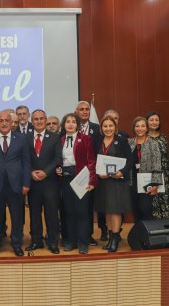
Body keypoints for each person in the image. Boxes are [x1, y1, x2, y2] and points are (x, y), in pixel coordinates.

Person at [0, 110, 31, 257]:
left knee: (17, 217)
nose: (4, 123)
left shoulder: (21, 138)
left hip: (16, 184)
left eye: (6, 120)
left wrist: (26, 183)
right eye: (1, 121)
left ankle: (17, 244)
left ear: (11, 123)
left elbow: (26, 162)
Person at [57, 113, 97, 254]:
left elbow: (91, 161)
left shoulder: (86, 139)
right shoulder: (60, 140)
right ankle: (71, 241)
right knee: (69, 212)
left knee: (82, 212)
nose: (71, 124)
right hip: (66, 179)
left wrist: (92, 180)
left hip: (81, 178)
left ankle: (83, 242)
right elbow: (58, 160)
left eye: (74, 122)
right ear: (63, 124)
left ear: (78, 125)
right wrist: (58, 169)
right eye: (68, 121)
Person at [25, 109, 62, 254]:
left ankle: (53, 242)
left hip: (50, 182)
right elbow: (24, 159)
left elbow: (58, 158)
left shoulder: (54, 137)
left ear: (45, 120)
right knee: (34, 213)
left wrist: (46, 172)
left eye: (41, 118)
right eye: (36, 119)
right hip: (33, 182)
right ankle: (36, 241)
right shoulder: (26, 138)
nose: (39, 121)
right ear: (32, 121)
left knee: (52, 214)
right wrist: (30, 173)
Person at [95, 116, 133, 252]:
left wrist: (122, 172)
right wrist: (97, 172)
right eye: (105, 126)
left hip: (116, 182)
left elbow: (130, 160)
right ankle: (110, 237)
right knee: (107, 210)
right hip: (103, 182)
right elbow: (94, 160)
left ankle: (115, 239)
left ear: (115, 127)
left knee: (115, 210)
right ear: (101, 128)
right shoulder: (98, 141)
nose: (108, 129)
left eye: (110, 126)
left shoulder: (121, 141)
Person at [75, 101, 103, 243]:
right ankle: (75, 235)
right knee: (75, 206)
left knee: (88, 206)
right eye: (82, 109)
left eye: (87, 109)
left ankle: (88, 235)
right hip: (74, 174)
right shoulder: (71, 127)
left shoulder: (97, 129)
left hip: (91, 171)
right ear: (76, 112)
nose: (85, 112)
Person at [128, 117, 163, 221]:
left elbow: (157, 164)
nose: (140, 128)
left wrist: (155, 185)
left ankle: (148, 235)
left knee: (145, 209)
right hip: (132, 182)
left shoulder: (153, 143)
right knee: (136, 210)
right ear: (134, 128)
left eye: (143, 126)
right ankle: (139, 235)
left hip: (147, 183)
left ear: (147, 128)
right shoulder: (129, 143)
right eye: (137, 126)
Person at [145, 111, 169, 219]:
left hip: (163, 176)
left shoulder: (163, 137)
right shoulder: (142, 137)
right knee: (150, 203)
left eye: (157, 120)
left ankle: (165, 230)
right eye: (151, 120)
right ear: (146, 121)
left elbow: (167, 157)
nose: (154, 122)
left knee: (164, 202)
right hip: (147, 175)